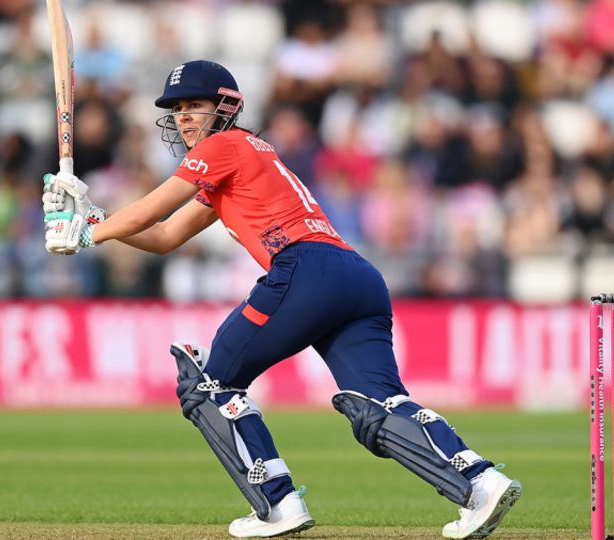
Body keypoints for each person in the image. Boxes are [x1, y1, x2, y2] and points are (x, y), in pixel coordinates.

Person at [42, 60, 521, 539]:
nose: (184, 117)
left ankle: (277, 505)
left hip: (304, 269)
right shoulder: (245, 156)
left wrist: (86, 233)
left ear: (225, 108)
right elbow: (165, 234)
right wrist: (95, 214)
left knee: (210, 386)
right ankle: (480, 483)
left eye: (195, 106)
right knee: (375, 405)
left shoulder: (222, 145)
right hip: (355, 277)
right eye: (178, 109)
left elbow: (152, 207)